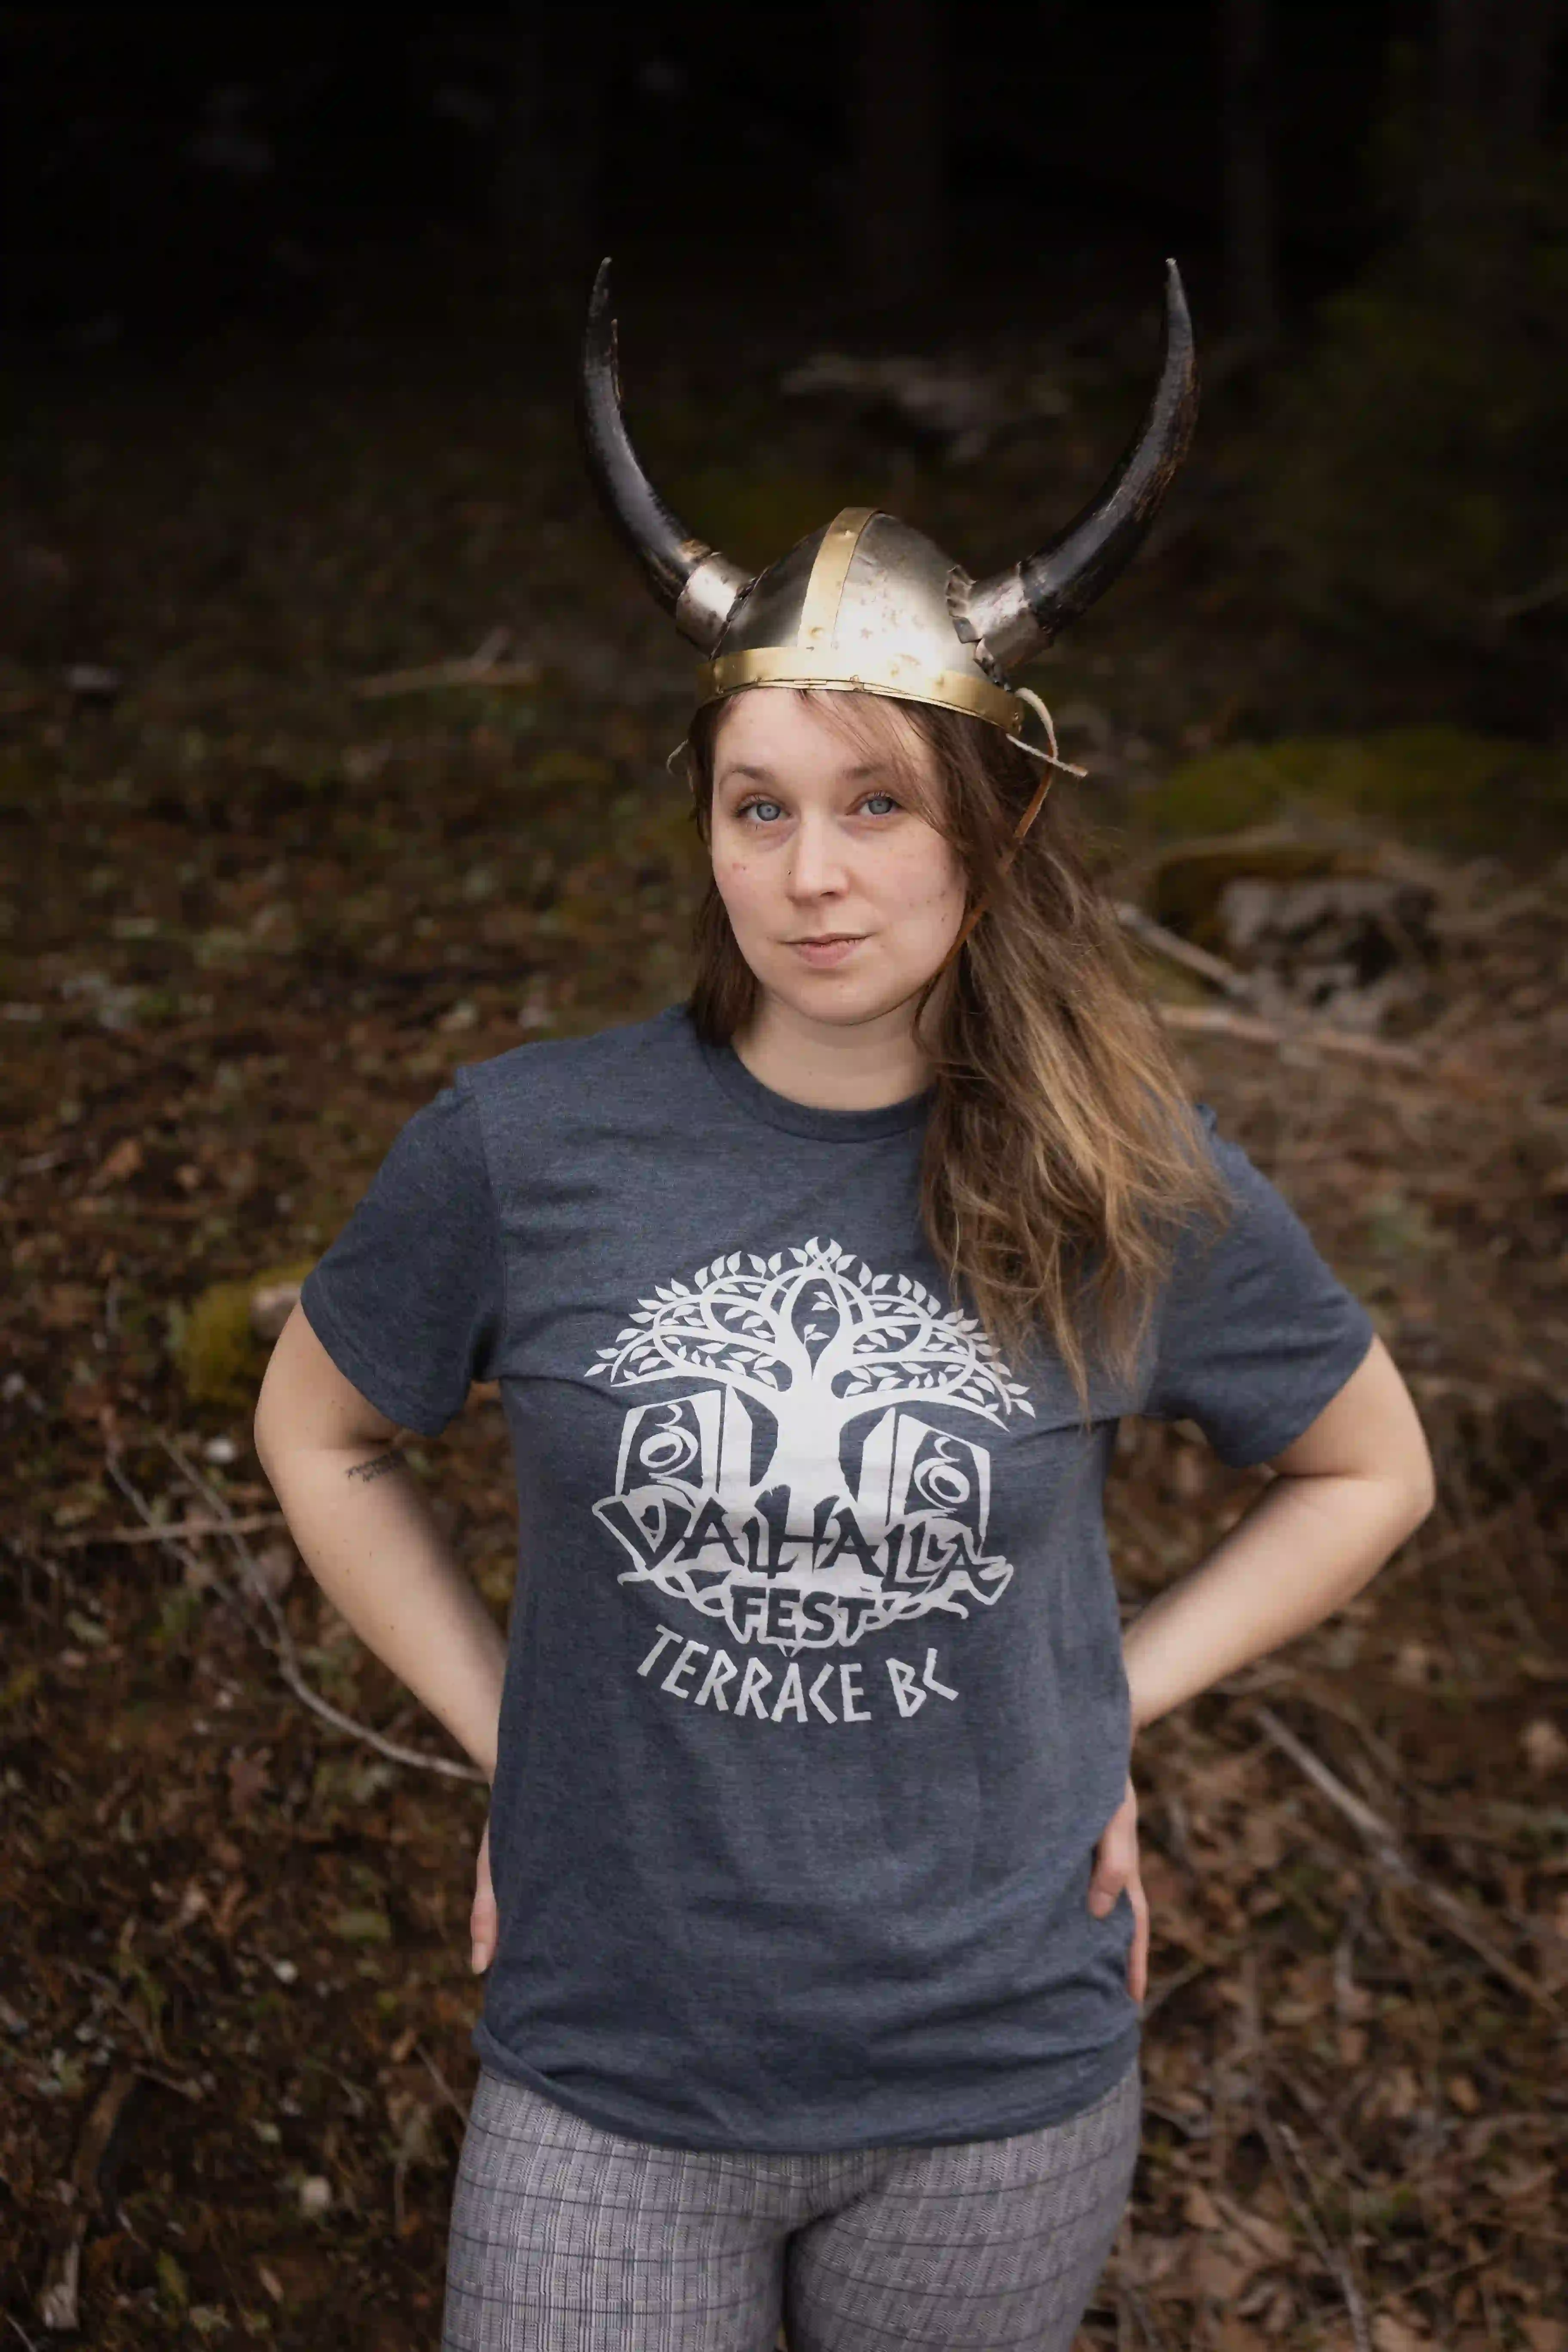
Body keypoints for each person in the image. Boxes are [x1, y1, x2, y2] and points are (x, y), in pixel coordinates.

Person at [253, 260, 1435, 2352]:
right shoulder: (525, 1148)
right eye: (761, 807)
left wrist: (1103, 1706)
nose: (813, 877)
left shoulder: (1120, 1172)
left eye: (879, 805)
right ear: (706, 822)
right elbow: (318, 1429)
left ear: (998, 829)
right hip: (615, 2065)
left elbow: (1369, 1465)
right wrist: (520, 1746)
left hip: (992, 2083)